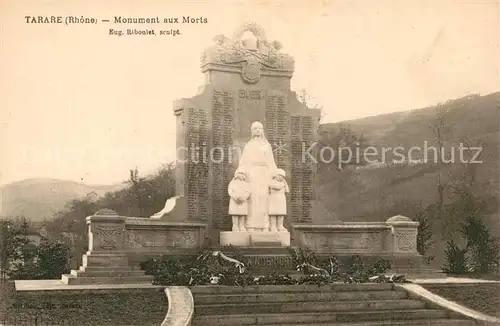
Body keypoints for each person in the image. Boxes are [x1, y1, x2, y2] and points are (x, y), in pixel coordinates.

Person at [237, 121, 278, 232]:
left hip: (264, 174)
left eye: (259, 128)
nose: (257, 130)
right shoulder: (249, 146)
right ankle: (250, 225)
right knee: (252, 200)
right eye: (255, 129)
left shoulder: (266, 146)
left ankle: (265, 225)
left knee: (264, 199)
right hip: (252, 174)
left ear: (262, 130)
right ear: (252, 131)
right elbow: (243, 162)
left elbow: (271, 162)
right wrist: (241, 172)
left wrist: (275, 174)